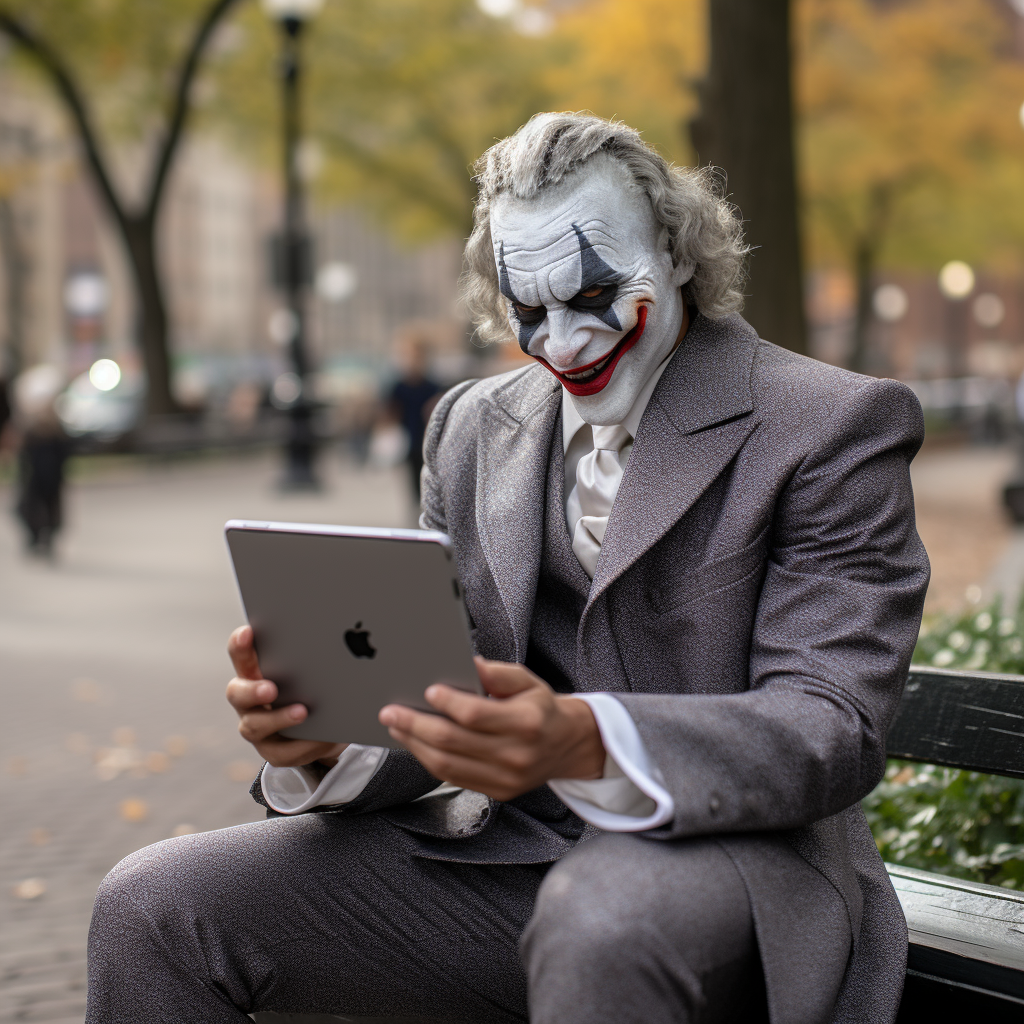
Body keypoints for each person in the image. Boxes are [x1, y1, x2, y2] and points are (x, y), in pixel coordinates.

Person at [86, 113, 929, 1024]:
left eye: (595, 292)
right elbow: (442, 683)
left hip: (741, 866)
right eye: (529, 309)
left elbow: (830, 726)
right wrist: (324, 744)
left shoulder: (832, 424)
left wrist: (583, 739)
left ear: (679, 252)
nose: (562, 342)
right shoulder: (470, 427)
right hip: (507, 858)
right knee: (151, 906)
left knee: (599, 924)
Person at [11, 365, 69, 557]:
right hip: (34, 478)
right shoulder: (30, 430)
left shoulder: (56, 430)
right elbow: (22, 457)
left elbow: (65, 453)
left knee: (50, 511)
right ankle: (35, 539)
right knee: (30, 509)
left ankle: (46, 539)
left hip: (51, 478)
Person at [387, 330, 441, 502]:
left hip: (427, 442)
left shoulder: (431, 386)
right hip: (408, 441)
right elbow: (391, 414)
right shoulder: (398, 386)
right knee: (413, 483)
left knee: (428, 482)